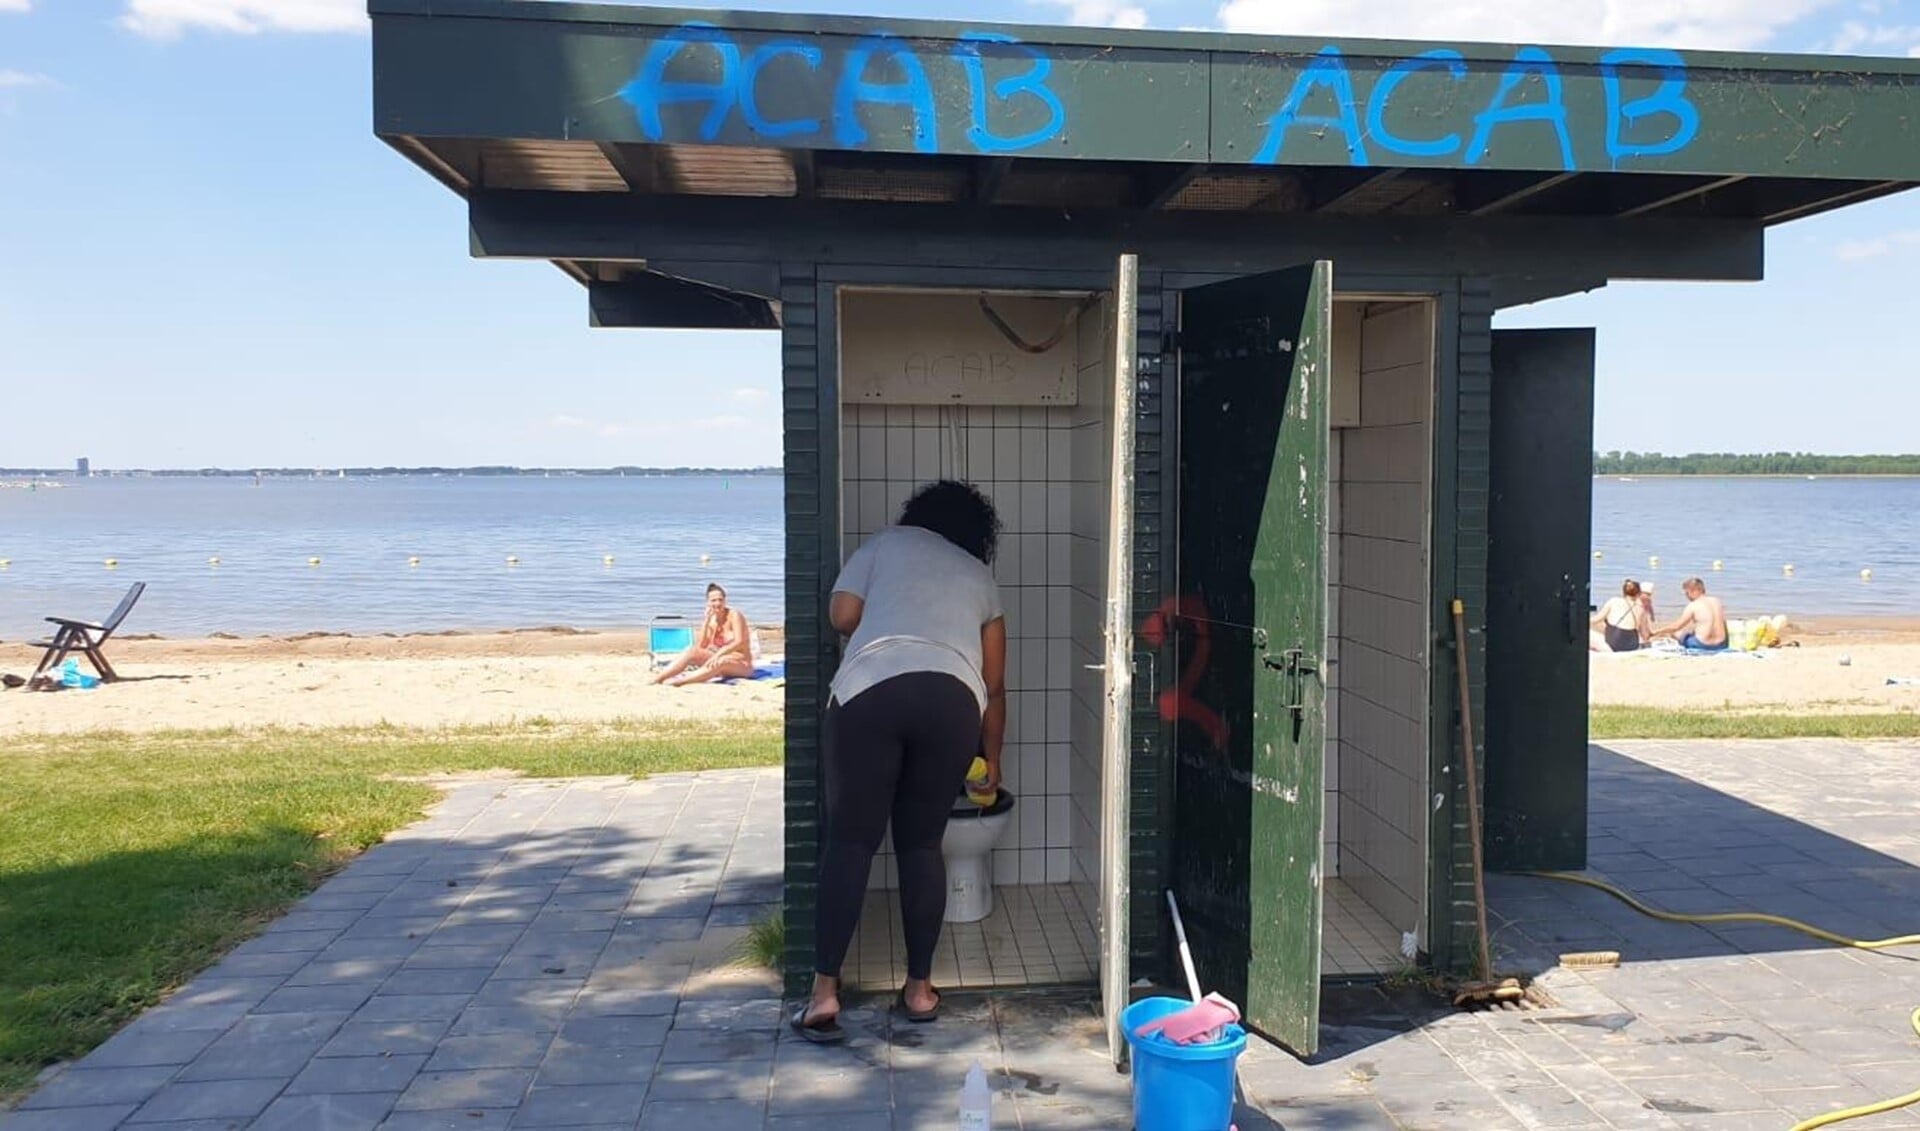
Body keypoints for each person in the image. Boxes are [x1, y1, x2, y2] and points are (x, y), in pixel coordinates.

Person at [792, 479, 1008, 1044]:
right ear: (974, 533)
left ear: (917, 515)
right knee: (920, 845)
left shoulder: (886, 545)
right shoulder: (978, 575)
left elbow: (842, 616)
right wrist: (994, 760)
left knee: (850, 842)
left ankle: (823, 995)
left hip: (871, 690)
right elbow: (996, 683)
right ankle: (918, 989)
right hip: (954, 702)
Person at [652, 583, 754, 686]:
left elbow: (739, 641)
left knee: (721, 661)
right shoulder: (712, 621)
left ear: (725, 600)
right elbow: (702, 646)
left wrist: (719, 654)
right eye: (713, 600)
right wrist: (706, 620)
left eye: (720, 599)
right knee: (691, 651)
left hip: (741, 664)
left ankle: (680, 682)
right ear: (708, 603)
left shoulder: (734, 615)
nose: (718, 603)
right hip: (719, 660)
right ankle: (658, 679)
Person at [1652, 576, 1729, 651]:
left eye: (1687, 593)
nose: (1686, 596)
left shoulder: (1693, 605)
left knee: (1676, 634)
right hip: (1721, 645)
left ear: (1693, 591)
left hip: (1702, 645)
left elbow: (1676, 626)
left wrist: (1656, 632)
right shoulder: (1717, 601)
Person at [1589, 579, 1651, 652]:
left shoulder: (1614, 601)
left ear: (1623, 592)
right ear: (1638, 593)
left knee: (1590, 633)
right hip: (1631, 646)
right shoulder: (1641, 609)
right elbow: (1645, 635)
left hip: (1612, 645)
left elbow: (1596, 620)